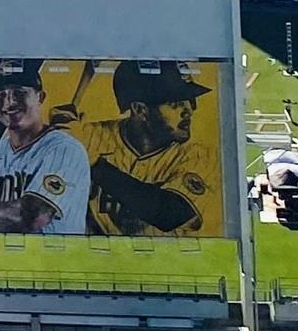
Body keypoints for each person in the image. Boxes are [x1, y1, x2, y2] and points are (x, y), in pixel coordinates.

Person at [0, 64, 90, 234]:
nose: (9, 102)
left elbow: (32, 218)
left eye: (19, 92)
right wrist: (8, 224)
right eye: (1, 95)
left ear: (40, 97)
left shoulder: (65, 150)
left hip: (50, 259)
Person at [86, 62, 213, 237]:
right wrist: (58, 132)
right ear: (140, 110)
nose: (188, 111)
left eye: (190, 101)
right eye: (176, 103)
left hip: (160, 259)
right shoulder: (92, 135)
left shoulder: (197, 155)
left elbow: (170, 214)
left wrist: (96, 166)